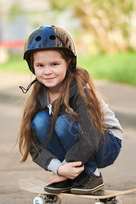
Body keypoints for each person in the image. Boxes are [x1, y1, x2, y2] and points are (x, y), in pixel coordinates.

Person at [18, 25, 123, 195]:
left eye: (54, 64)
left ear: (68, 62)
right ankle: (71, 174)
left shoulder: (80, 91)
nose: (47, 71)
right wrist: (60, 169)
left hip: (106, 142)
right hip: (81, 144)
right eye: (40, 65)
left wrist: (67, 164)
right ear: (32, 66)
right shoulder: (40, 95)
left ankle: (91, 174)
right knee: (40, 121)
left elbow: (91, 137)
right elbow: (33, 144)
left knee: (63, 123)